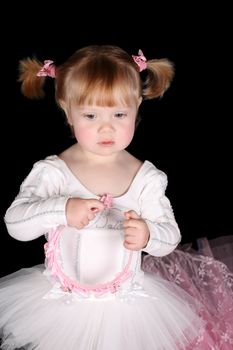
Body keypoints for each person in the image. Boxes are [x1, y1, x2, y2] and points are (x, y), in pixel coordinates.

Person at [0, 45, 230, 350]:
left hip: (128, 310)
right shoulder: (53, 173)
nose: (106, 127)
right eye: (91, 115)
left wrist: (148, 235)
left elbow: (169, 237)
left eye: (120, 114)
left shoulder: (145, 178)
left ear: (136, 106)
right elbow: (15, 223)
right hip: (63, 308)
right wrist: (62, 209)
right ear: (67, 109)